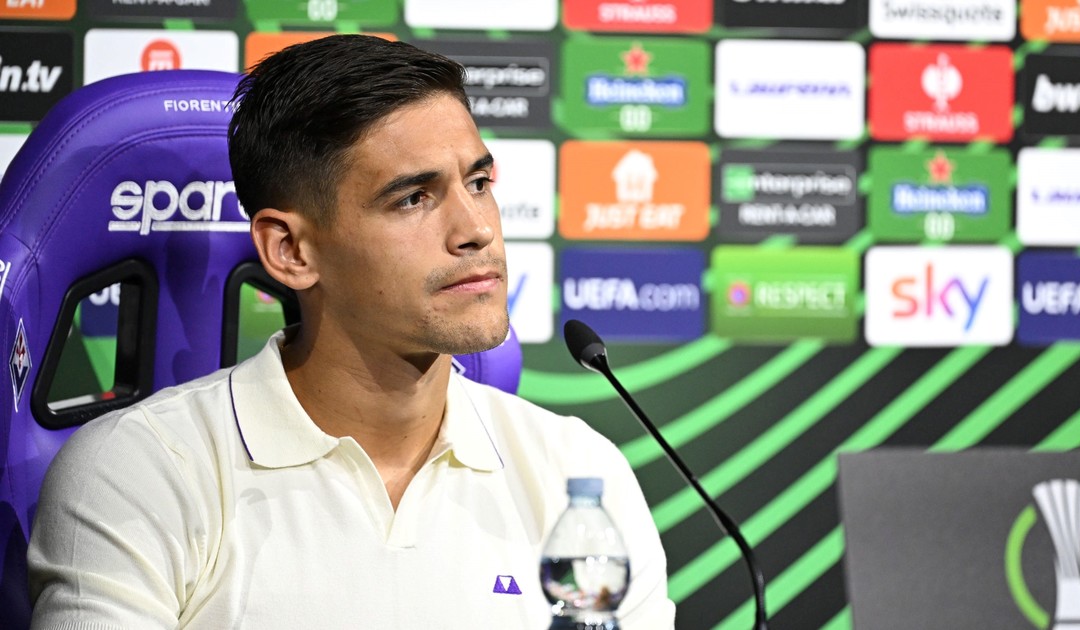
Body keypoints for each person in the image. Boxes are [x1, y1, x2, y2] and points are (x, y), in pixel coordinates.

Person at [27, 35, 674, 628]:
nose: (477, 229)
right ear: (291, 251)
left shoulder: (581, 475)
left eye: (479, 183)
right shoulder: (138, 472)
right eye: (414, 198)